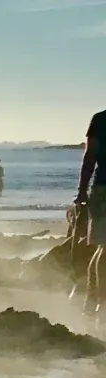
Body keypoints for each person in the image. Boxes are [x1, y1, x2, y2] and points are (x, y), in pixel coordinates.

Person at [80, 109, 104, 315]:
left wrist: (82, 191)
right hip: (104, 189)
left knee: (103, 248)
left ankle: (91, 302)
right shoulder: (101, 119)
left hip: (101, 189)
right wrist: (81, 191)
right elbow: (90, 156)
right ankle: (100, 305)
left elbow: (90, 155)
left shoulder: (100, 119)